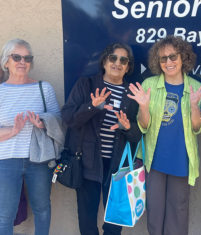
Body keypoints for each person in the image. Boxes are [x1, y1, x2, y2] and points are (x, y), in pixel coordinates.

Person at [128, 35, 201, 235]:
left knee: (178, 215)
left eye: (173, 57)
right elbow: (143, 126)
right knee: (154, 215)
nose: (168, 62)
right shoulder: (149, 85)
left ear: (183, 58)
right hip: (154, 162)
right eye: (163, 58)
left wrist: (195, 107)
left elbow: (198, 128)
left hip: (181, 161)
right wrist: (144, 107)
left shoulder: (196, 88)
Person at [61, 43, 141, 235]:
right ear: (105, 61)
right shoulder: (86, 85)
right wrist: (92, 107)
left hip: (117, 168)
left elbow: (139, 134)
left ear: (128, 66)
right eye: (113, 58)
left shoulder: (133, 93)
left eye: (123, 60)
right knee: (87, 222)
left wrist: (128, 127)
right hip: (87, 164)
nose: (117, 63)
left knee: (114, 225)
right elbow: (68, 118)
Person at [0, 38, 61, 235]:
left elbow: (58, 123)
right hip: (6, 160)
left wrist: (42, 123)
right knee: (4, 215)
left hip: (39, 159)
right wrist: (13, 131)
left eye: (27, 58)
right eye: (16, 57)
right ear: (6, 61)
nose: (22, 62)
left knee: (42, 209)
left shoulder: (44, 89)